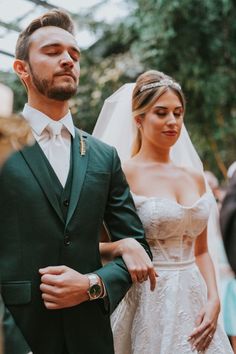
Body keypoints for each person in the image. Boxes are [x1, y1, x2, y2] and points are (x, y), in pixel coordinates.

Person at [0, 9, 154, 354]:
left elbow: (139, 246)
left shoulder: (103, 155)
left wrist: (92, 284)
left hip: (90, 339)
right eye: (53, 52)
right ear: (21, 69)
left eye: (74, 54)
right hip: (19, 336)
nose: (68, 60)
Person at [93, 70, 233, 353]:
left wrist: (214, 298)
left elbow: (201, 251)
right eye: (161, 112)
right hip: (147, 298)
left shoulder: (194, 176)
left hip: (196, 298)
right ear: (139, 119)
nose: (172, 121)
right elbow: (93, 245)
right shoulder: (120, 174)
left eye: (178, 113)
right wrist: (123, 248)